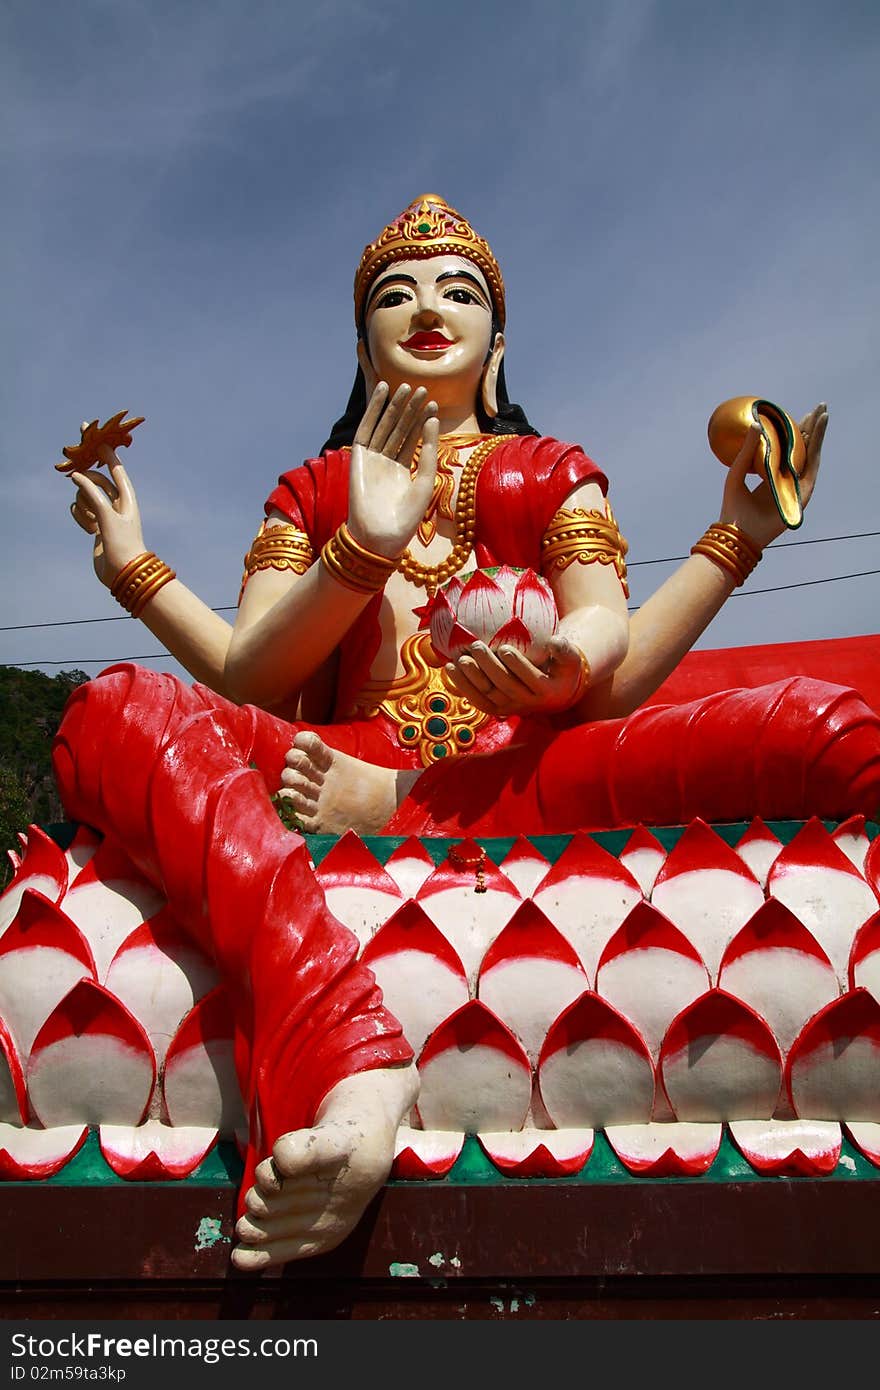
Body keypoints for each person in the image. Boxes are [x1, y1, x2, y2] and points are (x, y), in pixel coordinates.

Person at [55, 194, 880, 1269]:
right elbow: (251, 673)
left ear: (499, 337)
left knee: (833, 729)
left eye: (459, 290)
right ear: (360, 345)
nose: (427, 307)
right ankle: (346, 1050)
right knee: (109, 712)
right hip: (325, 766)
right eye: (395, 294)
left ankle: (407, 819)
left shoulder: (545, 469)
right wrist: (357, 540)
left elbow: (603, 647)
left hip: (525, 772)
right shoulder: (311, 490)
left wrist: (706, 559)